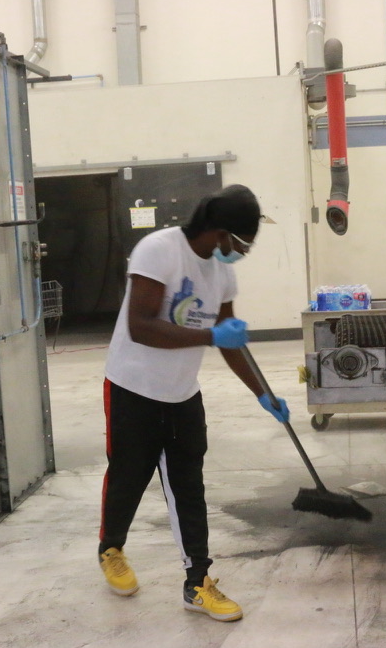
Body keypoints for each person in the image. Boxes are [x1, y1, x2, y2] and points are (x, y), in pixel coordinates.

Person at [97, 184, 290, 622]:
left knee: (188, 486)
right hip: (132, 386)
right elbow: (141, 326)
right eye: (241, 244)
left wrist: (263, 392)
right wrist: (208, 335)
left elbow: (230, 340)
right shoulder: (158, 250)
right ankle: (111, 548)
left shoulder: (223, 273)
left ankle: (197, 582)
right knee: (129, 474)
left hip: (182, 392)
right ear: (220, 233)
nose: (242, 252)